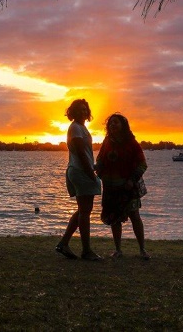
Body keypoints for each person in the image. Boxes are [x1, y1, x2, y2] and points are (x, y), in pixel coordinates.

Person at [95, 113, 150, 259]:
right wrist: (99, 172)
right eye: (111, 123)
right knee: (114, 218)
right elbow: (100, 160)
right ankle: (118, 250)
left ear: (123, 125)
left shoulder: (131, 143)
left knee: (134, 216)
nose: (113, 125)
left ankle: (142, 249)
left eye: (116, 122)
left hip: (128, 188)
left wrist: (132, 180)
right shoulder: (107, 142)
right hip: (110, 187)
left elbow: (142, 164)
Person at [55, 99, 103, 261]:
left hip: (81, 170)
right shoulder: (75, 128)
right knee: (85, 211)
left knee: (83, 210)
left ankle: (64, 243)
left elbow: (85, 155)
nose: (83, 112)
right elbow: (81, 153)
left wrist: (94, 166)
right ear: (73, 112)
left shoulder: (81, 127)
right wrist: (90, 173)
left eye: (85, 109)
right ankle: (86, 251)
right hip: (80, 171)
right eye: (80, 109)